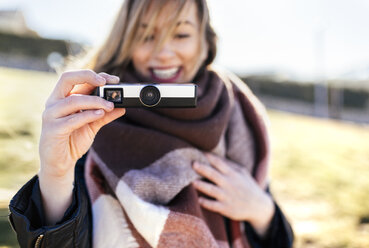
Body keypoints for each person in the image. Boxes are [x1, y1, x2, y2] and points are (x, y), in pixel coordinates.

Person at [9, 0, 294, 247]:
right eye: (146, 36)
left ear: (206, 41)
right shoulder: (93, 116)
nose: (163, 52)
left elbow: (281, 240)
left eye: (181, 34)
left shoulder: (236, 112)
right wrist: (56, 173)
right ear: (126, 42)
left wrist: (262, 211)